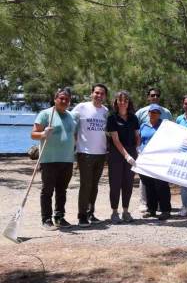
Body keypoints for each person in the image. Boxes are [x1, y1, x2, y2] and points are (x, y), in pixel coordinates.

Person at [32, 88, 76, 230]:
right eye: (61, 98)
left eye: (67, 99)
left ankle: (59, 217)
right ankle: (46, 219)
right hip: (49, 159)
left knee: (62, 190)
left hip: (67, 160)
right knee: (47, 191)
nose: (64, 101)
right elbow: (33, 134)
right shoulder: (45, 114)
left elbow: (73, 136)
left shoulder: (70, 116)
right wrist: (43, 133)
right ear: (55, 99)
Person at [71, 83, 109, 227]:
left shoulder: (105, 111)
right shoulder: (81, 107)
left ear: (105, 96)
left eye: (102, 94)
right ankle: (82, 216)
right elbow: (69, 121)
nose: (99, 96)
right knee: (86, 185)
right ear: (92, 93)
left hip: (101, 153)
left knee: (94, 185)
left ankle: (90, 213)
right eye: (97, 93)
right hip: (85, 153)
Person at [106, 91, 140, 224]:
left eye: (125, 100)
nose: (122, 103)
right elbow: (115, 140)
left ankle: (126, 211)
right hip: (116, 154)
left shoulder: (133, 118)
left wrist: (137, 149)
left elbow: (137, 135)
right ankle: (114, 212)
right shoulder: (112, 118)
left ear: (128, 103)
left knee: (128, 183)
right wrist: (126, 156)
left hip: (132, 152)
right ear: (116, 102)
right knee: (115, 183)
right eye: (120, 100)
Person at [136, 87, 172, 211]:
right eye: (152, 112)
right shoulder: (144, 125)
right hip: (145, 159)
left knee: (161, 185)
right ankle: (151, 209)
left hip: (160, 159)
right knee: (148, 184)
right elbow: (139, 139)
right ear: (148, 113)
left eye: (156, 112)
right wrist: (138, 150)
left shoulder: (164, 126)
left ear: (160, 114)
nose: (154, 114)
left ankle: (165, 209)